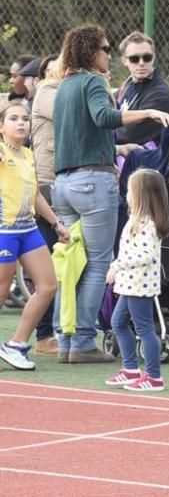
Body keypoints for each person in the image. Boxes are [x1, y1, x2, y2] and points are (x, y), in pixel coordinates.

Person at [52, 24, 169, 364]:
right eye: (106, 49)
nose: (109, 54)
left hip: (64, 185)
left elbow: (81, 132)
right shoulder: (93, 81)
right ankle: (83, 343)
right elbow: (103, 117)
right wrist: (148, 112)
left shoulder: (65, 86)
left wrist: (119, 147)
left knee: (71, 265)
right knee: (97, 264)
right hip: (93, 184)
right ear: (92, 52)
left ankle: (66, 339)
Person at [0, 101, 69, 370]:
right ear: (2, 126)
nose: (21, 123)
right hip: (4, 230)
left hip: (28, 229)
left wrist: (56, 224)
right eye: (13, 118)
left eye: (25, 119)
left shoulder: (28, 155)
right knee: (2, 290)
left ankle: (16, 344)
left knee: (48, 286)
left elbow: (37, 194)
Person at [103, 169, 169, 392]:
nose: (127, 195)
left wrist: (117, 265)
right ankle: (130, 368)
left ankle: (153, 376)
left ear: (142, 195)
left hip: (139, 285)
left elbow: (146, 254)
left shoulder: (147, 224)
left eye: (131, 191)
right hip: (130, 284)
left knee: (143, 329)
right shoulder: (137, 220)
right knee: (118, 322)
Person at [28, 54, 62, 356]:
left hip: (69, 184)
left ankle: (68, 330)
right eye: (50, 74)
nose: (56, 78)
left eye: (59, 72)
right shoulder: (47, 99)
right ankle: (45, 333)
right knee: (47, 265)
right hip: (48, 188)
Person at [113, 32, 169, 148]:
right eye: (134, 59)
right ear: (124, 61)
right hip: (125, 158)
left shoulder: (160, 94)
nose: (141, 63)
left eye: (147, 57)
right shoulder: (129, 85)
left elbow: (128, 135)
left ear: (153, 58)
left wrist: (104, 129)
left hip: (147, 162)